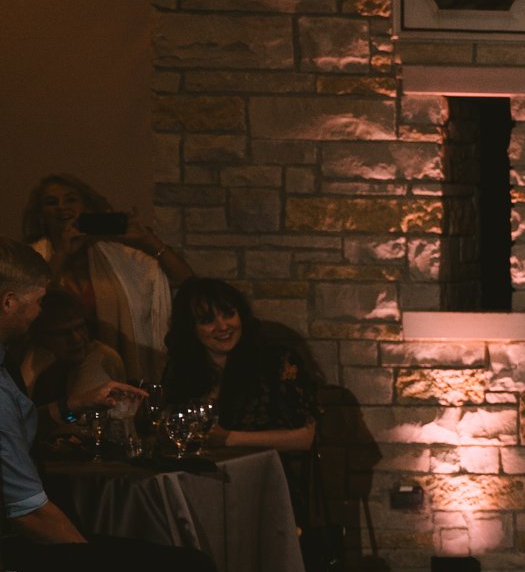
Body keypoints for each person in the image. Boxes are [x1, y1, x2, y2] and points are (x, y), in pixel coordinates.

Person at [0, 239, 240, 572]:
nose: (42, 315)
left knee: (142, 559)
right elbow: (29, 512)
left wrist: (71, 407)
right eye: (37, 302)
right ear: (9, 302)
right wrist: (89, 560)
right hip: (9, 561)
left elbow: (16, 432)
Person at [23, 174, 191, 382]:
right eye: (51, 202)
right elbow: (29, 300)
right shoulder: (30, 258)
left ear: (85, 206)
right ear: (41, 215)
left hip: (116, 366)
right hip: (51, 372)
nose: (62, 207)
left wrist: (149, 241)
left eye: (70, 200)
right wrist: (61, 254)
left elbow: (186, 282)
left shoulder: (117, 257)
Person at [161, 278, 316, 454]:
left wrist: (228, 438)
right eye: (207, 320)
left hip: (262, 472)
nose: (222, 326)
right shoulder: (182, 367)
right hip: (197, 472)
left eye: (228, 314)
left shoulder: (275, 361)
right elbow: (168, 427)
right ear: (190, 328)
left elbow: (305, 438)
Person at [15, 289, 126, 420]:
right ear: (40, 338)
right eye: (63, 333)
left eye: (80, 327)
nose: (77, 339)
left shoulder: (100, 357)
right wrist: (29, 373)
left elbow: (78, 421)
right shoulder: (23, 356)